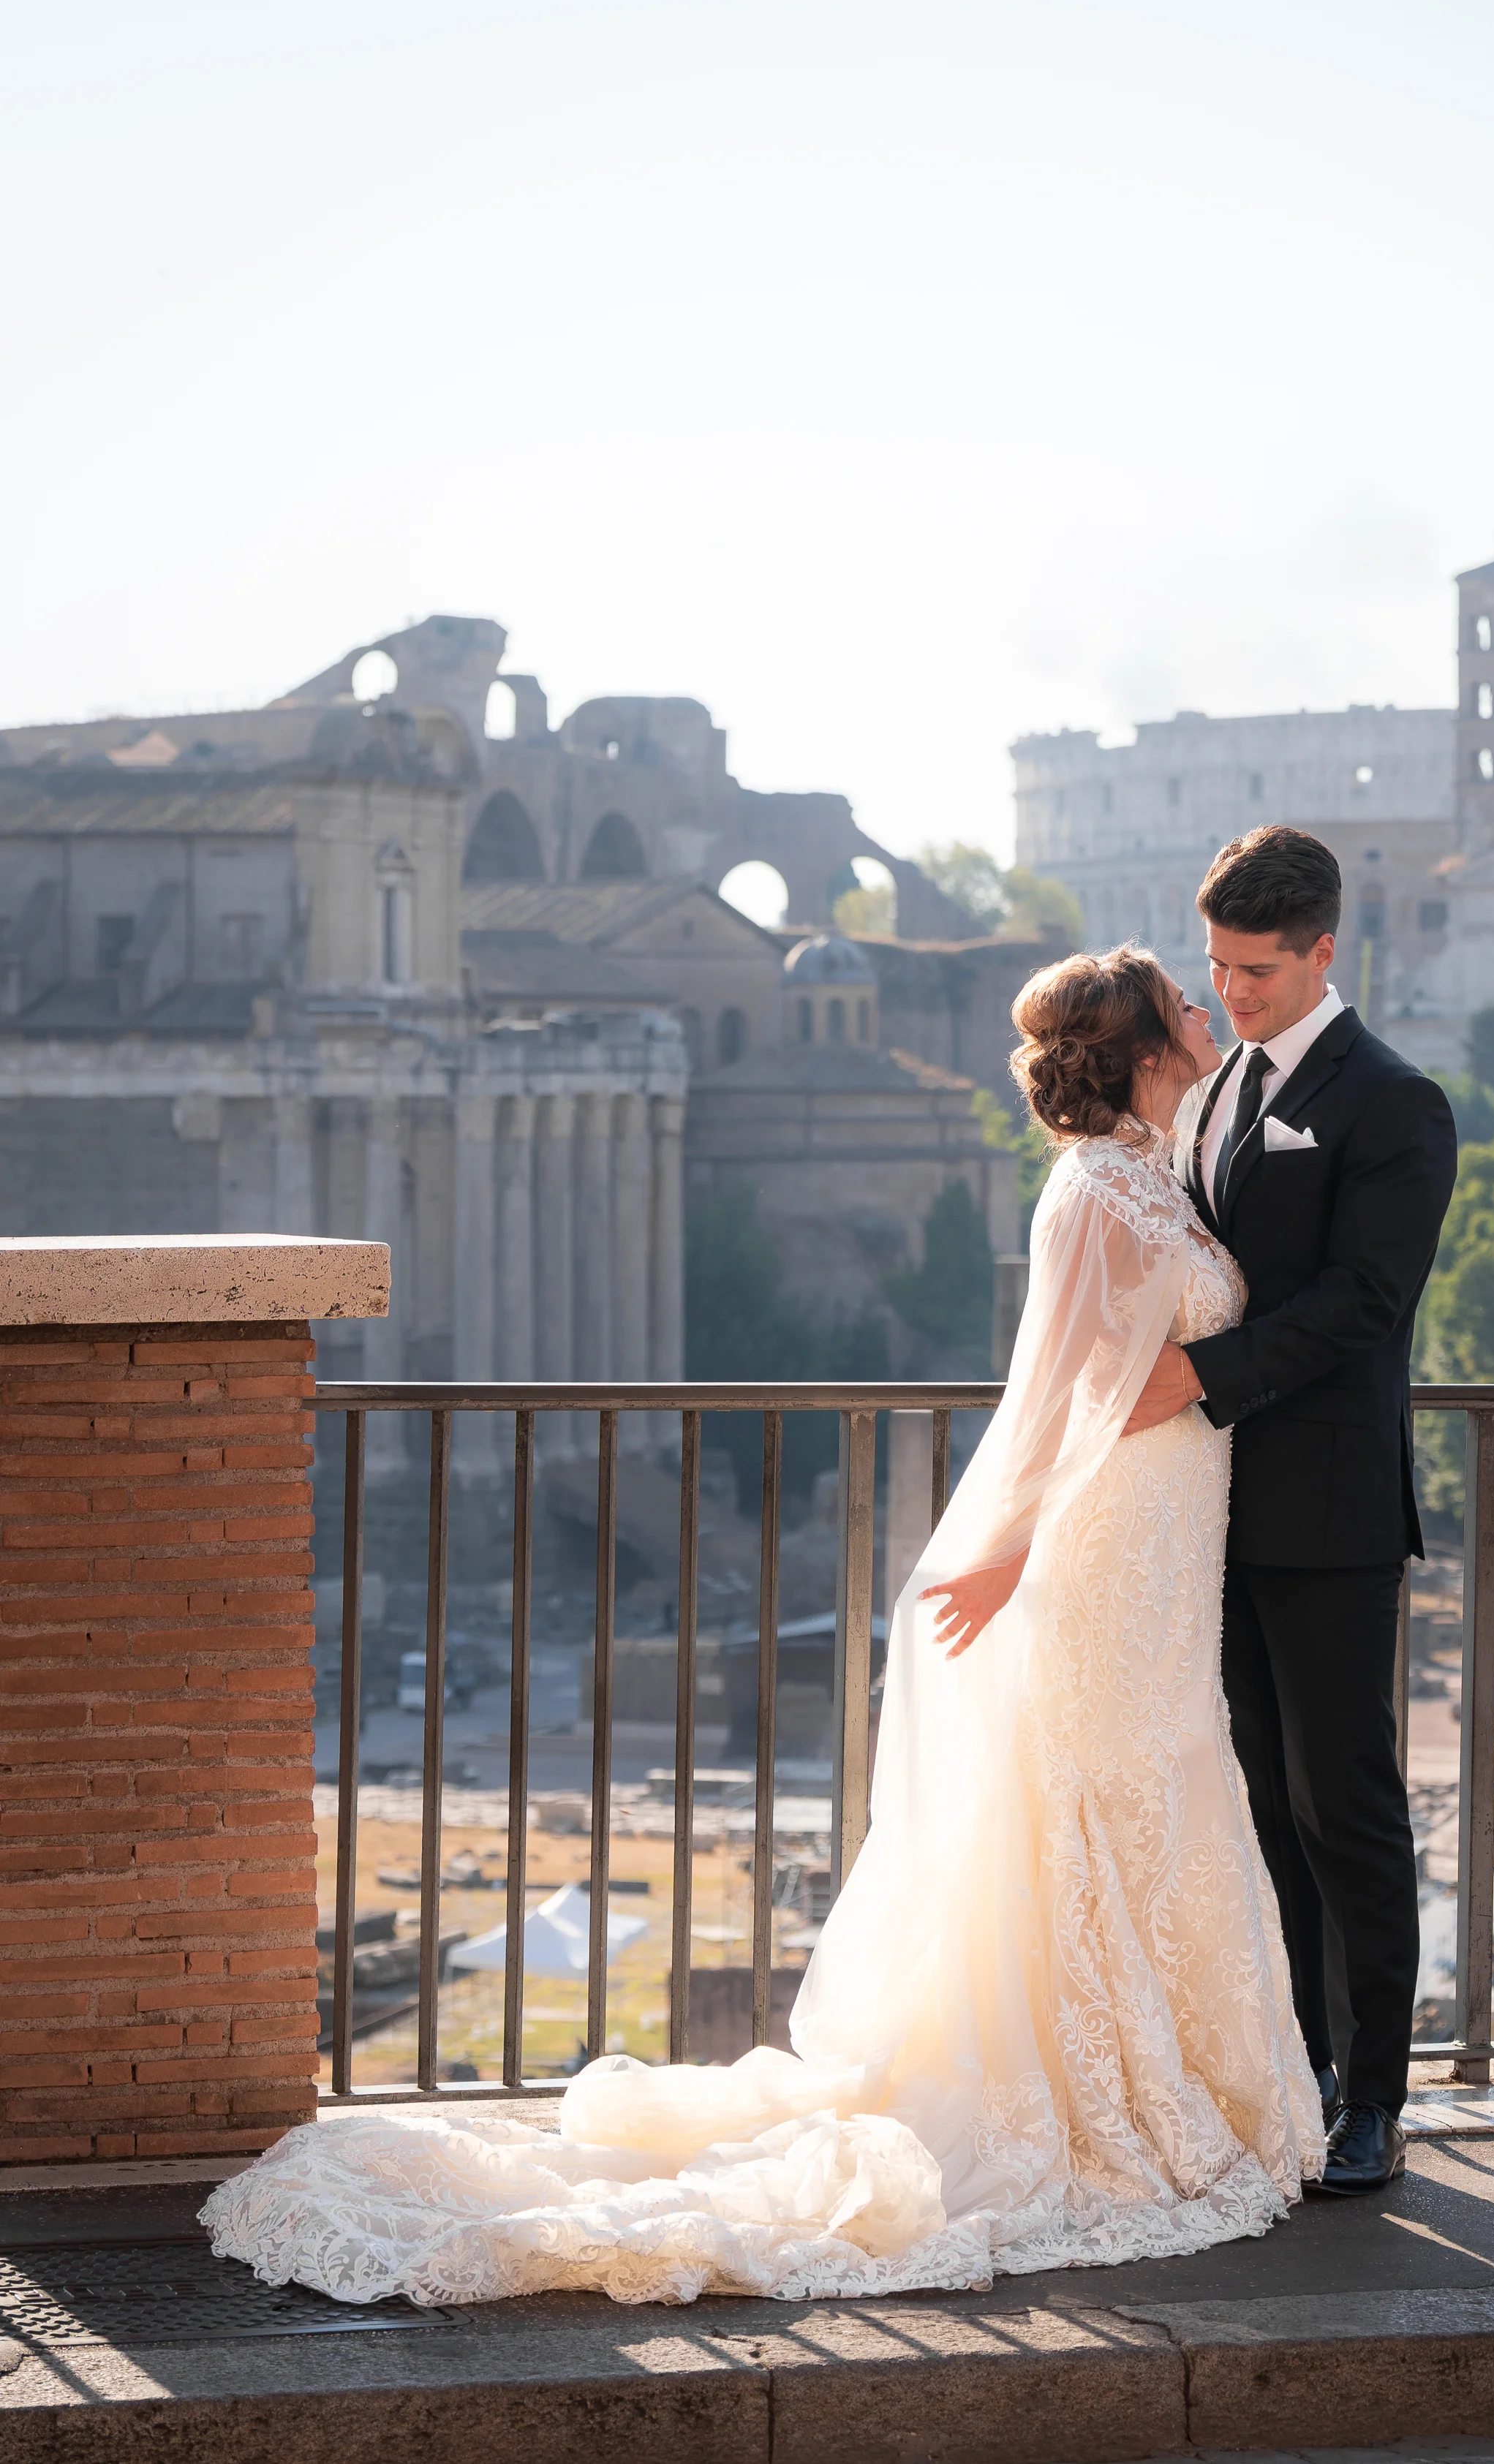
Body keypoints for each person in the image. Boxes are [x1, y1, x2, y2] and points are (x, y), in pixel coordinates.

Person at [201, 945, 1324, 2308]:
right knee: (1097, 1797)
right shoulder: (1093, 1190)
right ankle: (1104, 2102)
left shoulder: (1158, 1167)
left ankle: (1172, 2082)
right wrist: (1004, 1553)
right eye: (1185, 1002)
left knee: (1155, 1785)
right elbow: (1055, 1397)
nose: (1207, 1011)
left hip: (1165, 1547)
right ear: (1145, 1048)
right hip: (1105, 1552)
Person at [1123, 826, 1457, 2193]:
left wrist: (1202, 1375)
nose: (1231, 990)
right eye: (1216, 965)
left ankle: (1374, 2099)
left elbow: (1367, 1301)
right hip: (1205, 1505)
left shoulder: (1395, 1102)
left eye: (1257, 969)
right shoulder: (1215, 1089)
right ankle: (1300, 2072)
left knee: (1345, 1806)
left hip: (1326, 1512)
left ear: (1325, 951)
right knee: (1263, 1807)